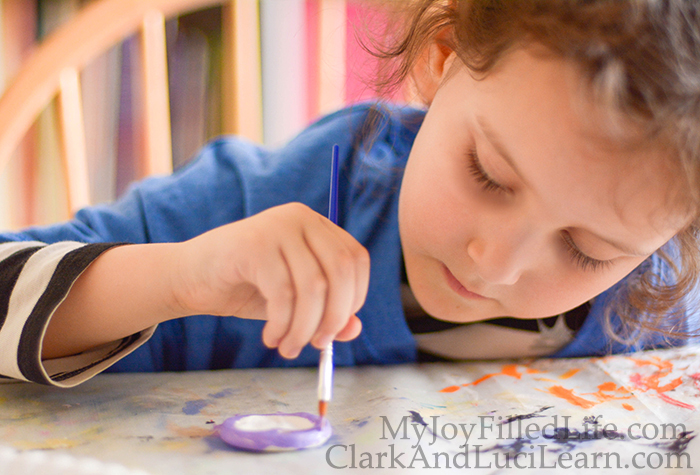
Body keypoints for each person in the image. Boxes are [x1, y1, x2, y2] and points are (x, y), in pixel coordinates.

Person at [1, 0, 699, 387]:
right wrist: (180, 278)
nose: (496, 262)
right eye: (488, 173)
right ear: (442, 56)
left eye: (587, 250)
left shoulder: (669, 295)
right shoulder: (265, 204)